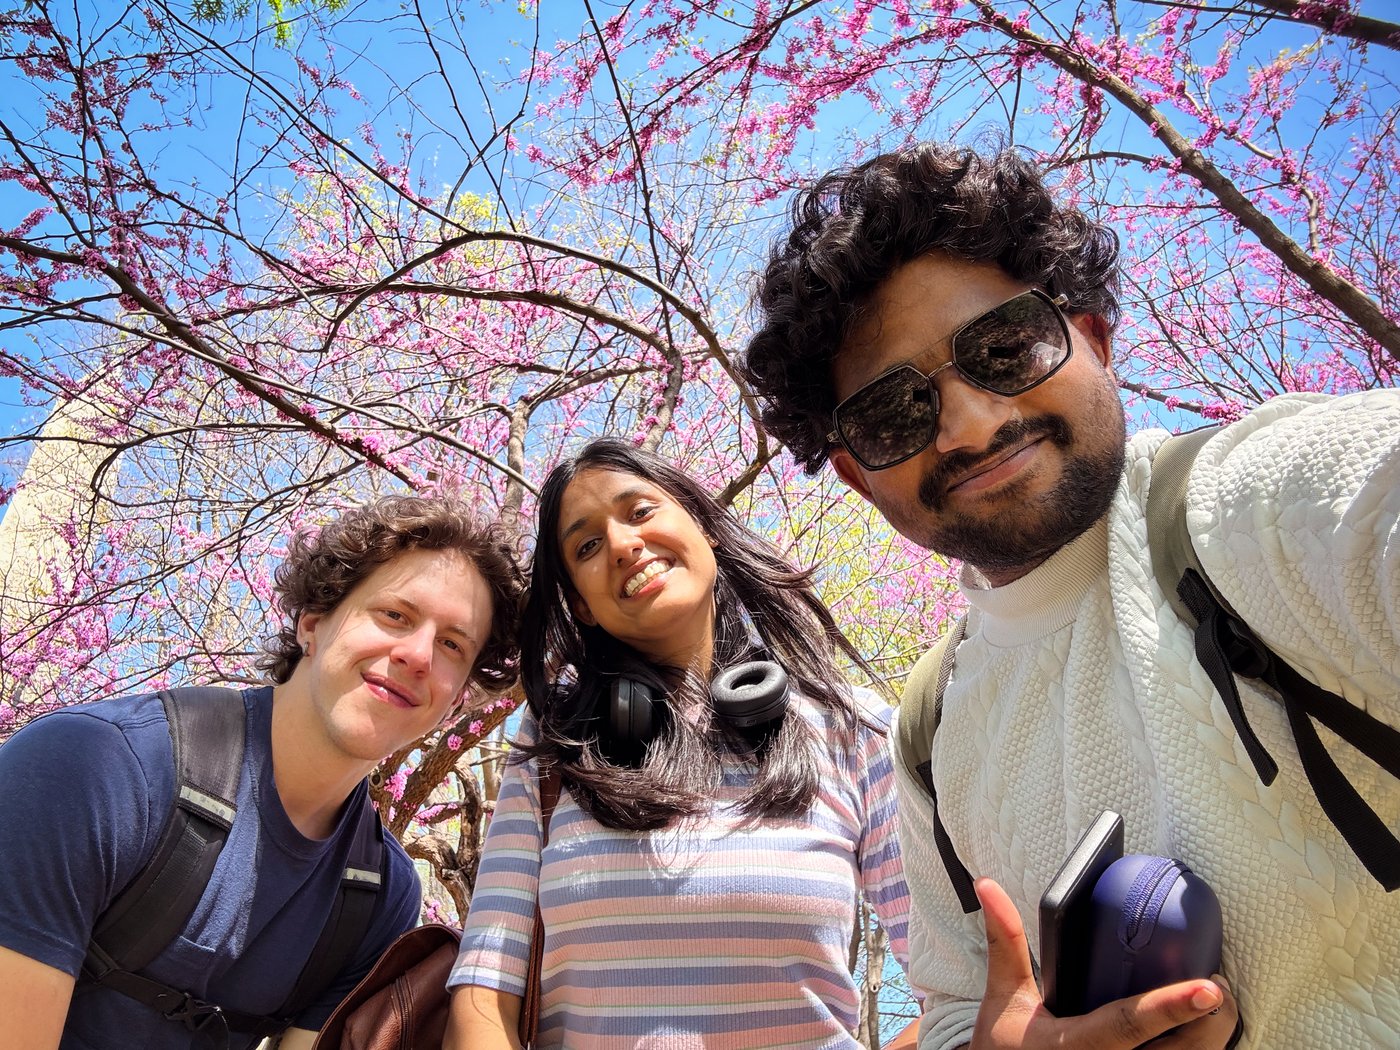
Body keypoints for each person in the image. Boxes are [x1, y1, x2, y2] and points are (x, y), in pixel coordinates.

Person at [740, 142, 1400, 1049]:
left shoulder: (1255, 512)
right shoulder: (931, 733)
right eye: (896, 414)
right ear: (860, 477)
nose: (972, 422)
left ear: (1090, 336)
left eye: (1004, 346)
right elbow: (949, 1009)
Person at [0, 495, 523, 1050]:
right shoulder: (95, 768)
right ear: (313, 623)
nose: (418, 655)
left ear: (455, 700)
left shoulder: (379, 894)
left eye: (451, 645)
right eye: (395, 615)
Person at [444, 437, 913, 1049]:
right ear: (582, 606)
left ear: (705, 528)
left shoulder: (856, 727)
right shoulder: (553, 742)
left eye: (640, 512)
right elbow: (486, 983)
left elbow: (960, 981)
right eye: (586, 545)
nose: (621, 544)